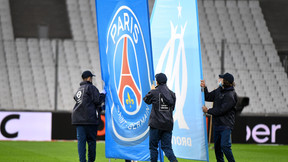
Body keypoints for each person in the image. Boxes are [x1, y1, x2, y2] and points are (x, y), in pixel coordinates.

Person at [201, 72, 237, 162]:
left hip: (226, 125)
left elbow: (221, 110)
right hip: (217, 124)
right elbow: (208, 96)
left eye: (221, 79)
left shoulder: (231, 95)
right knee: (217, 149)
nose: (219, 80)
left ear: (225, 81)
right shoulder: (219, 90)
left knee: (225, 146)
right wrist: (204, 88)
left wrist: (208, 111)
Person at [72, 70, 106, 162]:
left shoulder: (79, 89)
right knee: (91, 142)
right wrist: (103, 94)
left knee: (81, 143)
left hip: (78, 119)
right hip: (89, 119)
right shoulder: (91, 87)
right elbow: (97, 101)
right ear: (89, 78)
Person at [143, 73, 178, 162]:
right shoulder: (172, 94)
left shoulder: (154, 92)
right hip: (168, 125)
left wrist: (151, 90)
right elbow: (172, 108)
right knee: (167, 148)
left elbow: (146, 100)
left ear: (157, 82)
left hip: (156, 124)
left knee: (153, 147)